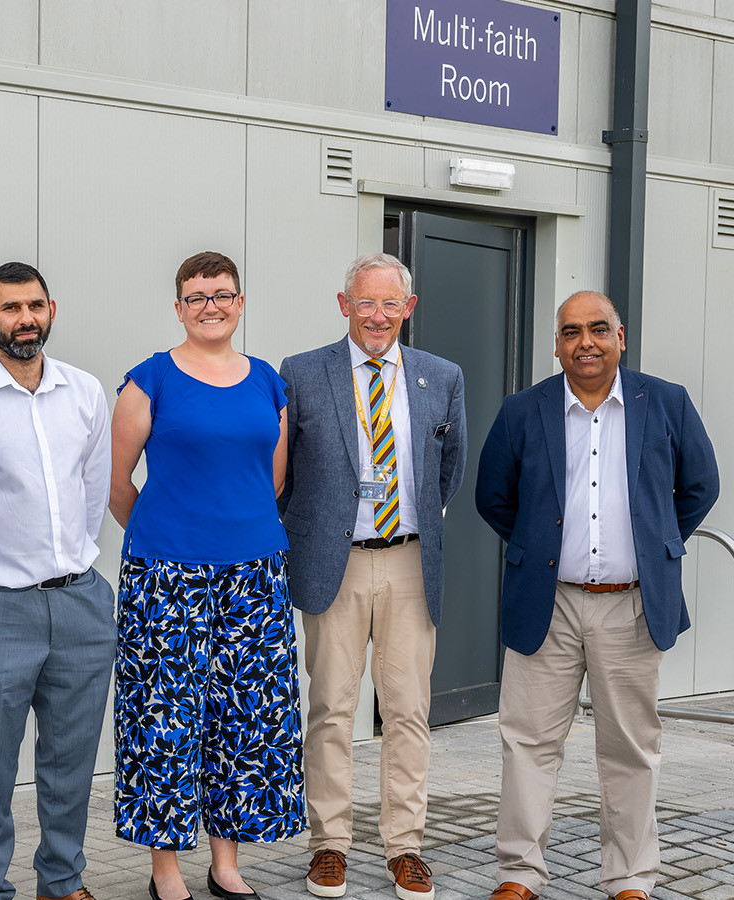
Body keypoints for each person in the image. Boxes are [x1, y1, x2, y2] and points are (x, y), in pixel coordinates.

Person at [476, 290, 718, 900]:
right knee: (528, 742)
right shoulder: (522, 410)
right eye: (570, 331)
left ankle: (630, 878)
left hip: (632, 605)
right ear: (557, 342)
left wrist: (652, 542)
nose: (585, 342)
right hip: (547, 603)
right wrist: (542, 551)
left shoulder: (665, 402)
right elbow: (494, 498)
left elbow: (699, 486)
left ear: (621, 337)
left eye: (598, 329)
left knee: (631, 748)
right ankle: (519, 873)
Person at [108, 251, 303, 900]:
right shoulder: (150, 380)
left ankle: (226, 863)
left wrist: (233, 529)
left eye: (221, 294)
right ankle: (166, 870)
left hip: (255, 573)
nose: (210, 305)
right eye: (196, 296)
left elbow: (271, 479)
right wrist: (171, 537)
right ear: (178, 308)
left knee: (245, 720)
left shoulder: (268, 382)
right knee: (164, 719)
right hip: (167, 578)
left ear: (240, 302)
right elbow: (115, 486)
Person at [277, 252, 466, 900]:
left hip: (411, 562)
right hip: (337, 563)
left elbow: (448, 471)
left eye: (390, 304)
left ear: (407, 309)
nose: (378, 316)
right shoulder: (302, 374)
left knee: (409, 711)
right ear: (343, 305)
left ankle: (404, 847)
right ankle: (329, 844)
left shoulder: (442, 377)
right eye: (365, 303)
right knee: (330, 708)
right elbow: (285, 476)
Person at [0, 261, 115, 900]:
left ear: (51, 309)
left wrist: (67, 563)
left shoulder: (86, 392)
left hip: (81, 604)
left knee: (71, 764)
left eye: (34, 306)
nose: (25, 319)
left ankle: (62, 881)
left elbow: (92, 493)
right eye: (10, 308)